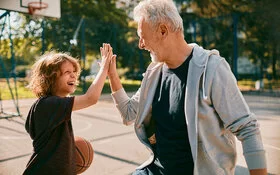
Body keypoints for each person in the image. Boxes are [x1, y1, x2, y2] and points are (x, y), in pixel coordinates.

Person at [107, 0, 267, 175]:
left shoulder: (211, 69)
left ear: (163, 30)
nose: (141, 44)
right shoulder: (154, 73)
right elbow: (129, 113)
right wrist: (112, 74)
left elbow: (248, 129)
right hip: (156, 170)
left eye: (142, 36)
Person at [23, 43, 115, 175]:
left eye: (74, 72)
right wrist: (104, 68)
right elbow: (91, 98)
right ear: (50, 77)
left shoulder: (54, 105)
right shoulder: (48, 104)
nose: (73, 76)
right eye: (67, 72)